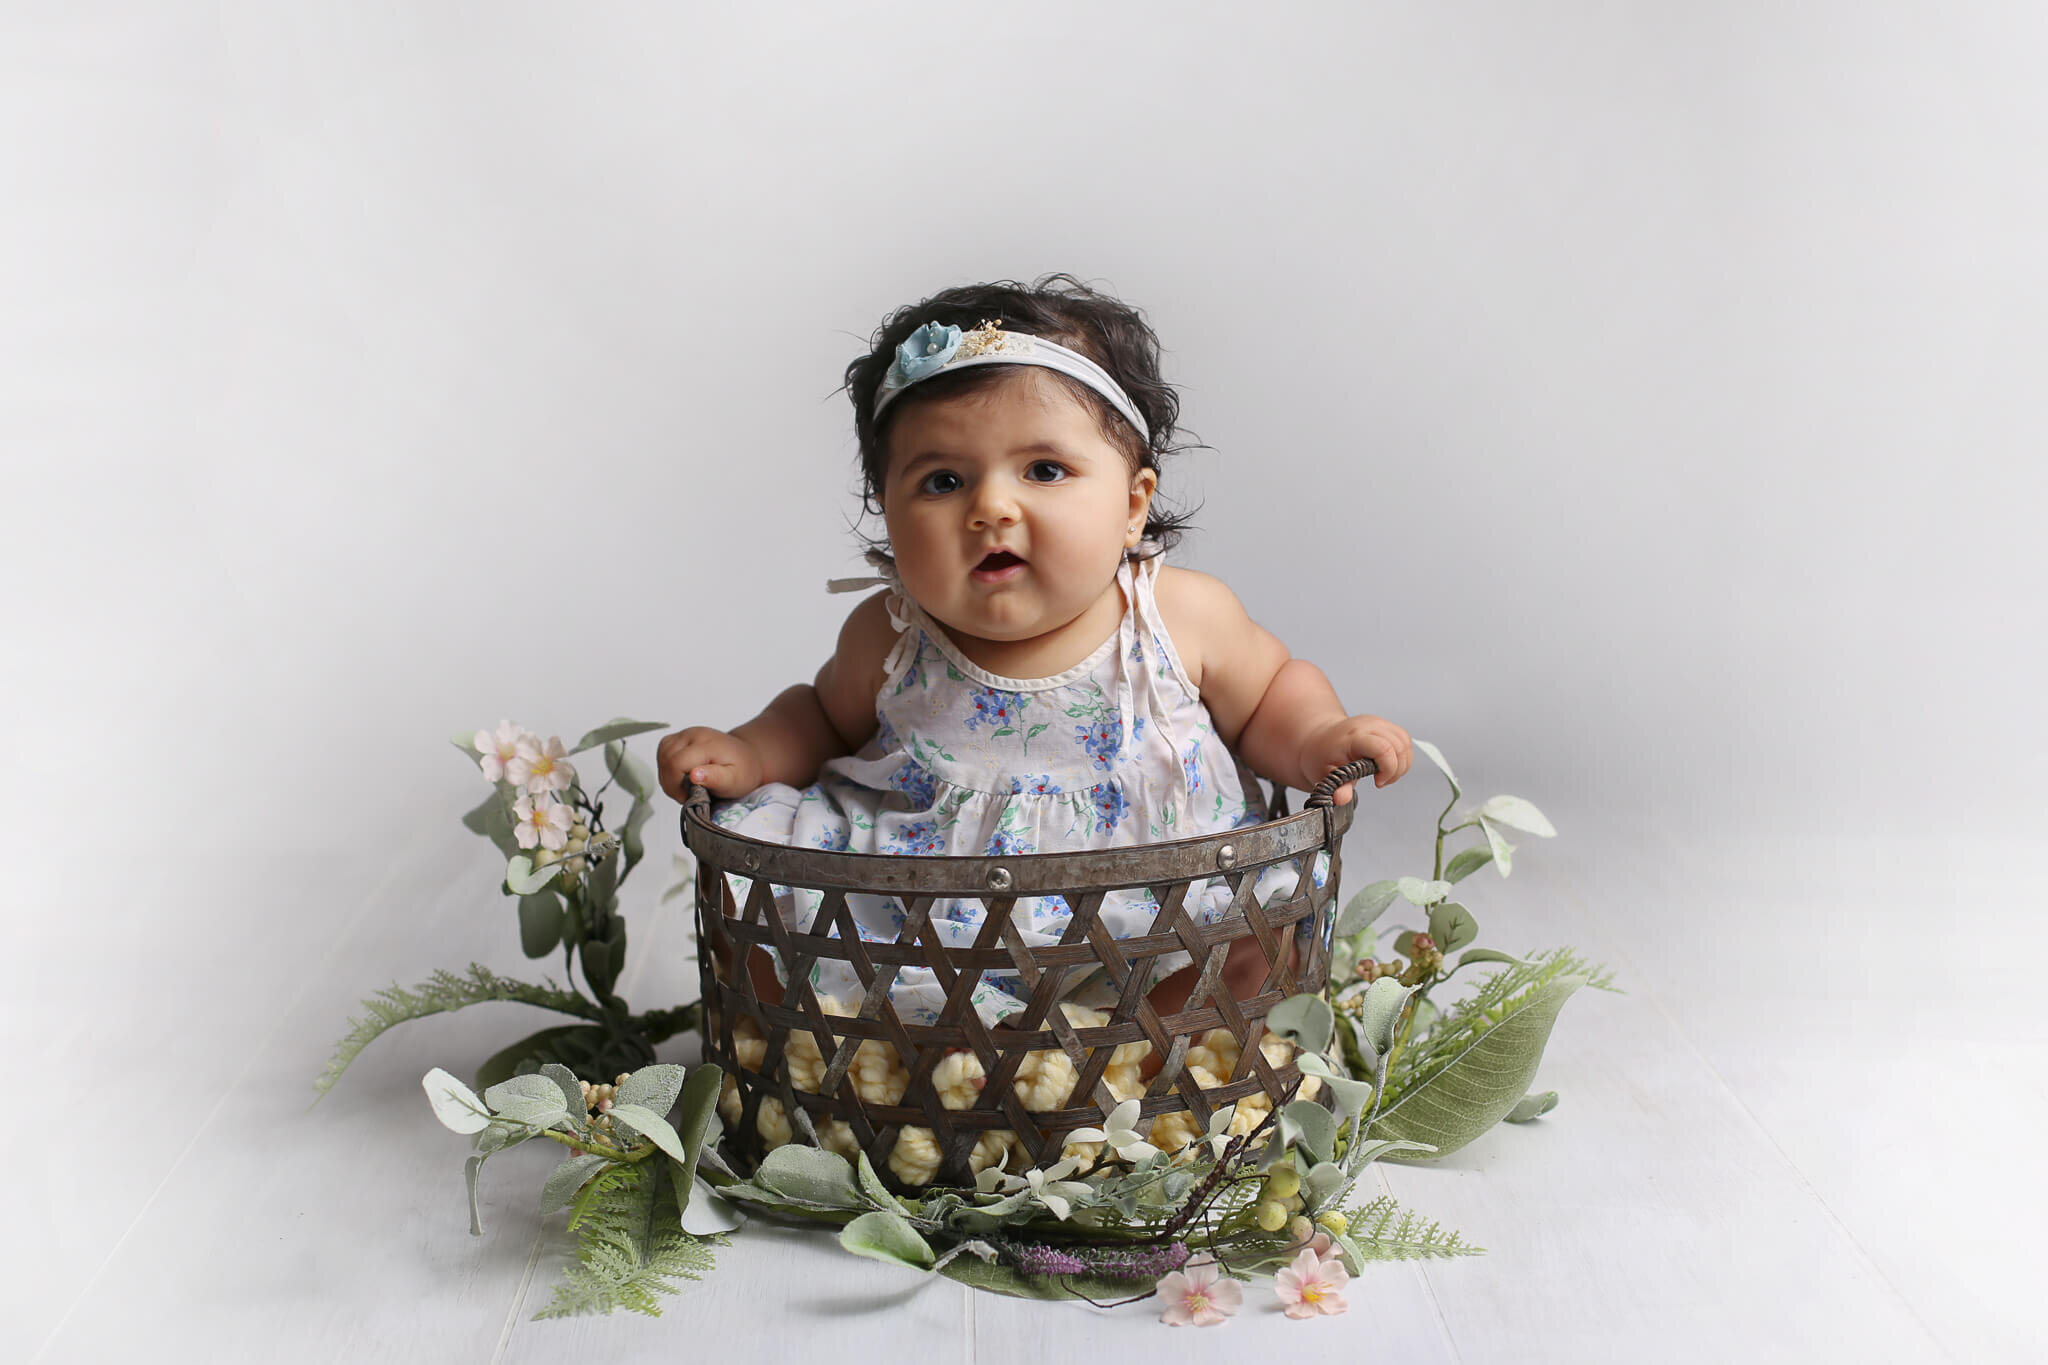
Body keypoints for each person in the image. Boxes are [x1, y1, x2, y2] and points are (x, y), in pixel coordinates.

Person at [658, 274, 1412, 1028]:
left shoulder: (1177, 615)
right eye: (943, 480)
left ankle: (1143, 1070)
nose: (990, 507)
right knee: (749, 873)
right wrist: (749, 753)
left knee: (1263, 933)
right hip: (921, 931)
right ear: (887, 513)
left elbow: (1273, 691)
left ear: (1132, 503)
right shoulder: (891, 635)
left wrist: (1318, 736)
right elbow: (821, 718)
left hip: (1158, 915)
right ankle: (903, 1063)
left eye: (1044, 470)